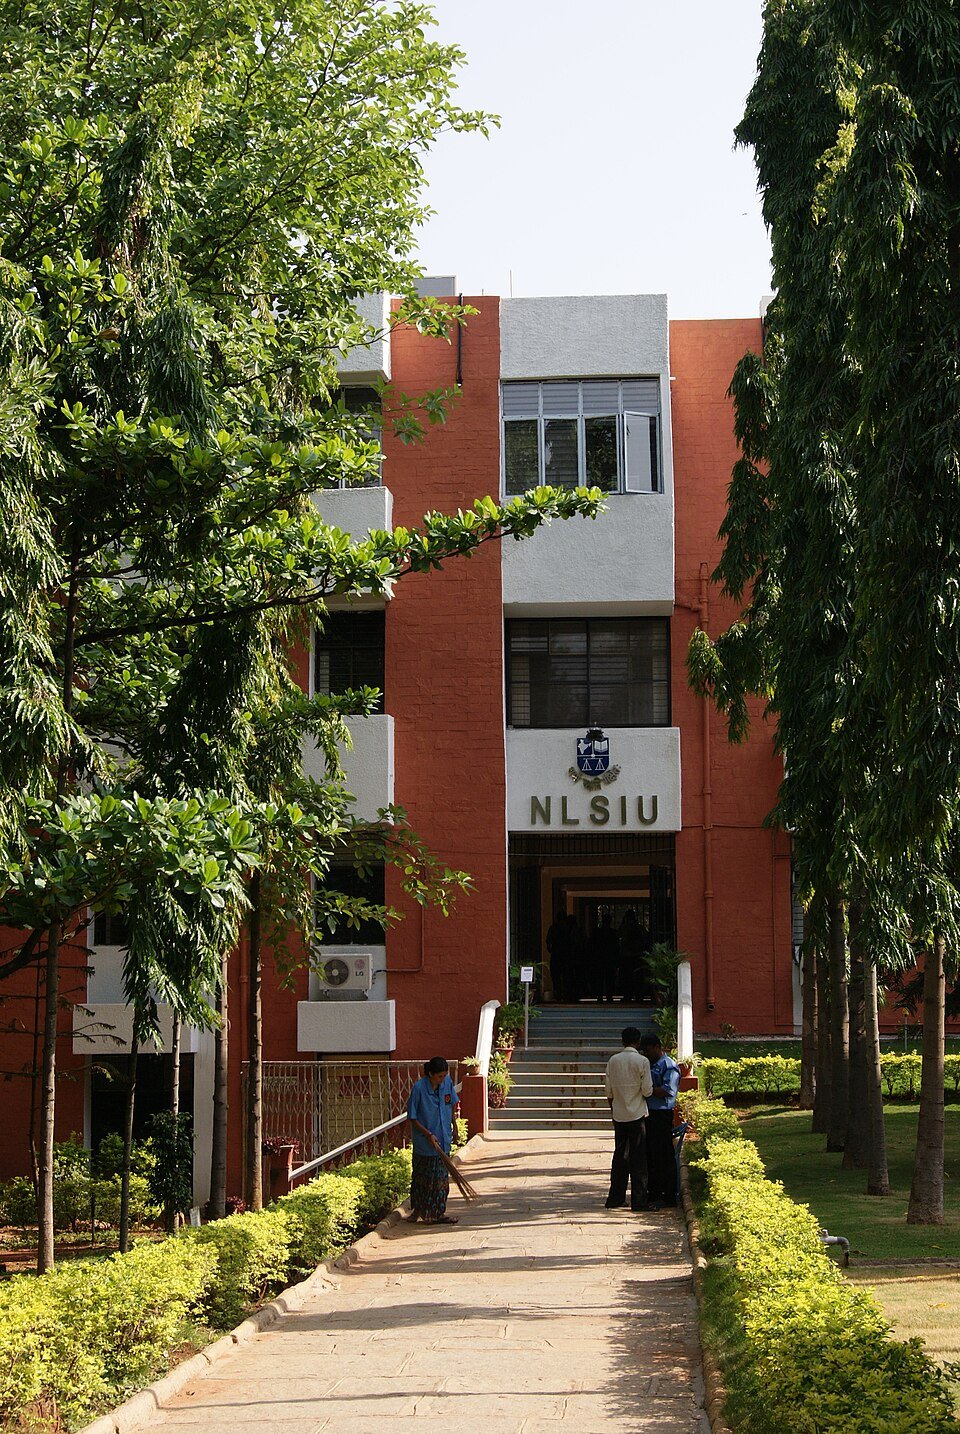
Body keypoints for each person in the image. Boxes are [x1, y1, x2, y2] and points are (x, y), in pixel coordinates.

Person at [603, 1026, 654, 1211]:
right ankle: (639, 1200)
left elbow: (608, 1091)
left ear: (622, 1041)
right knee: (639, 1158)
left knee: (620, 1157)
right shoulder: (642, 1061)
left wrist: (614, 1109)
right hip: (637, 1114)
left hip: (619, 1114)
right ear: (638, 1042)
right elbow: (647, 1090)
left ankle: (615, 1197)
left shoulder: (613, 1061)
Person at [406, 1056, 460, 1224]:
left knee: (440, 1181)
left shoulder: (447, 1084)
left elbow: (451, 1105)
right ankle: (419, 1210)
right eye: (439, 1076)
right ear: (430, 1074)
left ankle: (437, 1213)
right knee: (422, 1179)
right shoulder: (419, 1089)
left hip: (443, 1140)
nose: (442, 1079)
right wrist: (428, 1134)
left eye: (444, 1076)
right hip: (425, 1144)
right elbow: (413, 1118)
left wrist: (455, 1127)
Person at [641, 1035, 681, 1206]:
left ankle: (668, 1194)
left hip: (662, 1114)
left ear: (657, 1047)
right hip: (649, 1113)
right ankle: (654, 1192)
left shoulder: (668, 1066)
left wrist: (648, 1091)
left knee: (663, 1155)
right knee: (650, 1155)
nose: (646, 1054)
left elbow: (668, 1090)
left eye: (648, 1050)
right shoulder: (648, 1064)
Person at [590, 912, 620, 1002]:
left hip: (600, 959)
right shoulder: (613, 933)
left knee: (600, 978)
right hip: (608, 959)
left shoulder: (597, 933)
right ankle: (608, 996)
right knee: (609, 979)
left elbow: (592, 946)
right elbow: (616, 948)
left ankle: (600, 995)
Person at [546, 908, 574, 1003]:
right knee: (566, 976)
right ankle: (566, 995)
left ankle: (559, 995)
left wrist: (551, 949)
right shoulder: (569, 928)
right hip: (566, 956)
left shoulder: (554, 928)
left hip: (557, 955)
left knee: (556, 977)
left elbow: (548, 941)